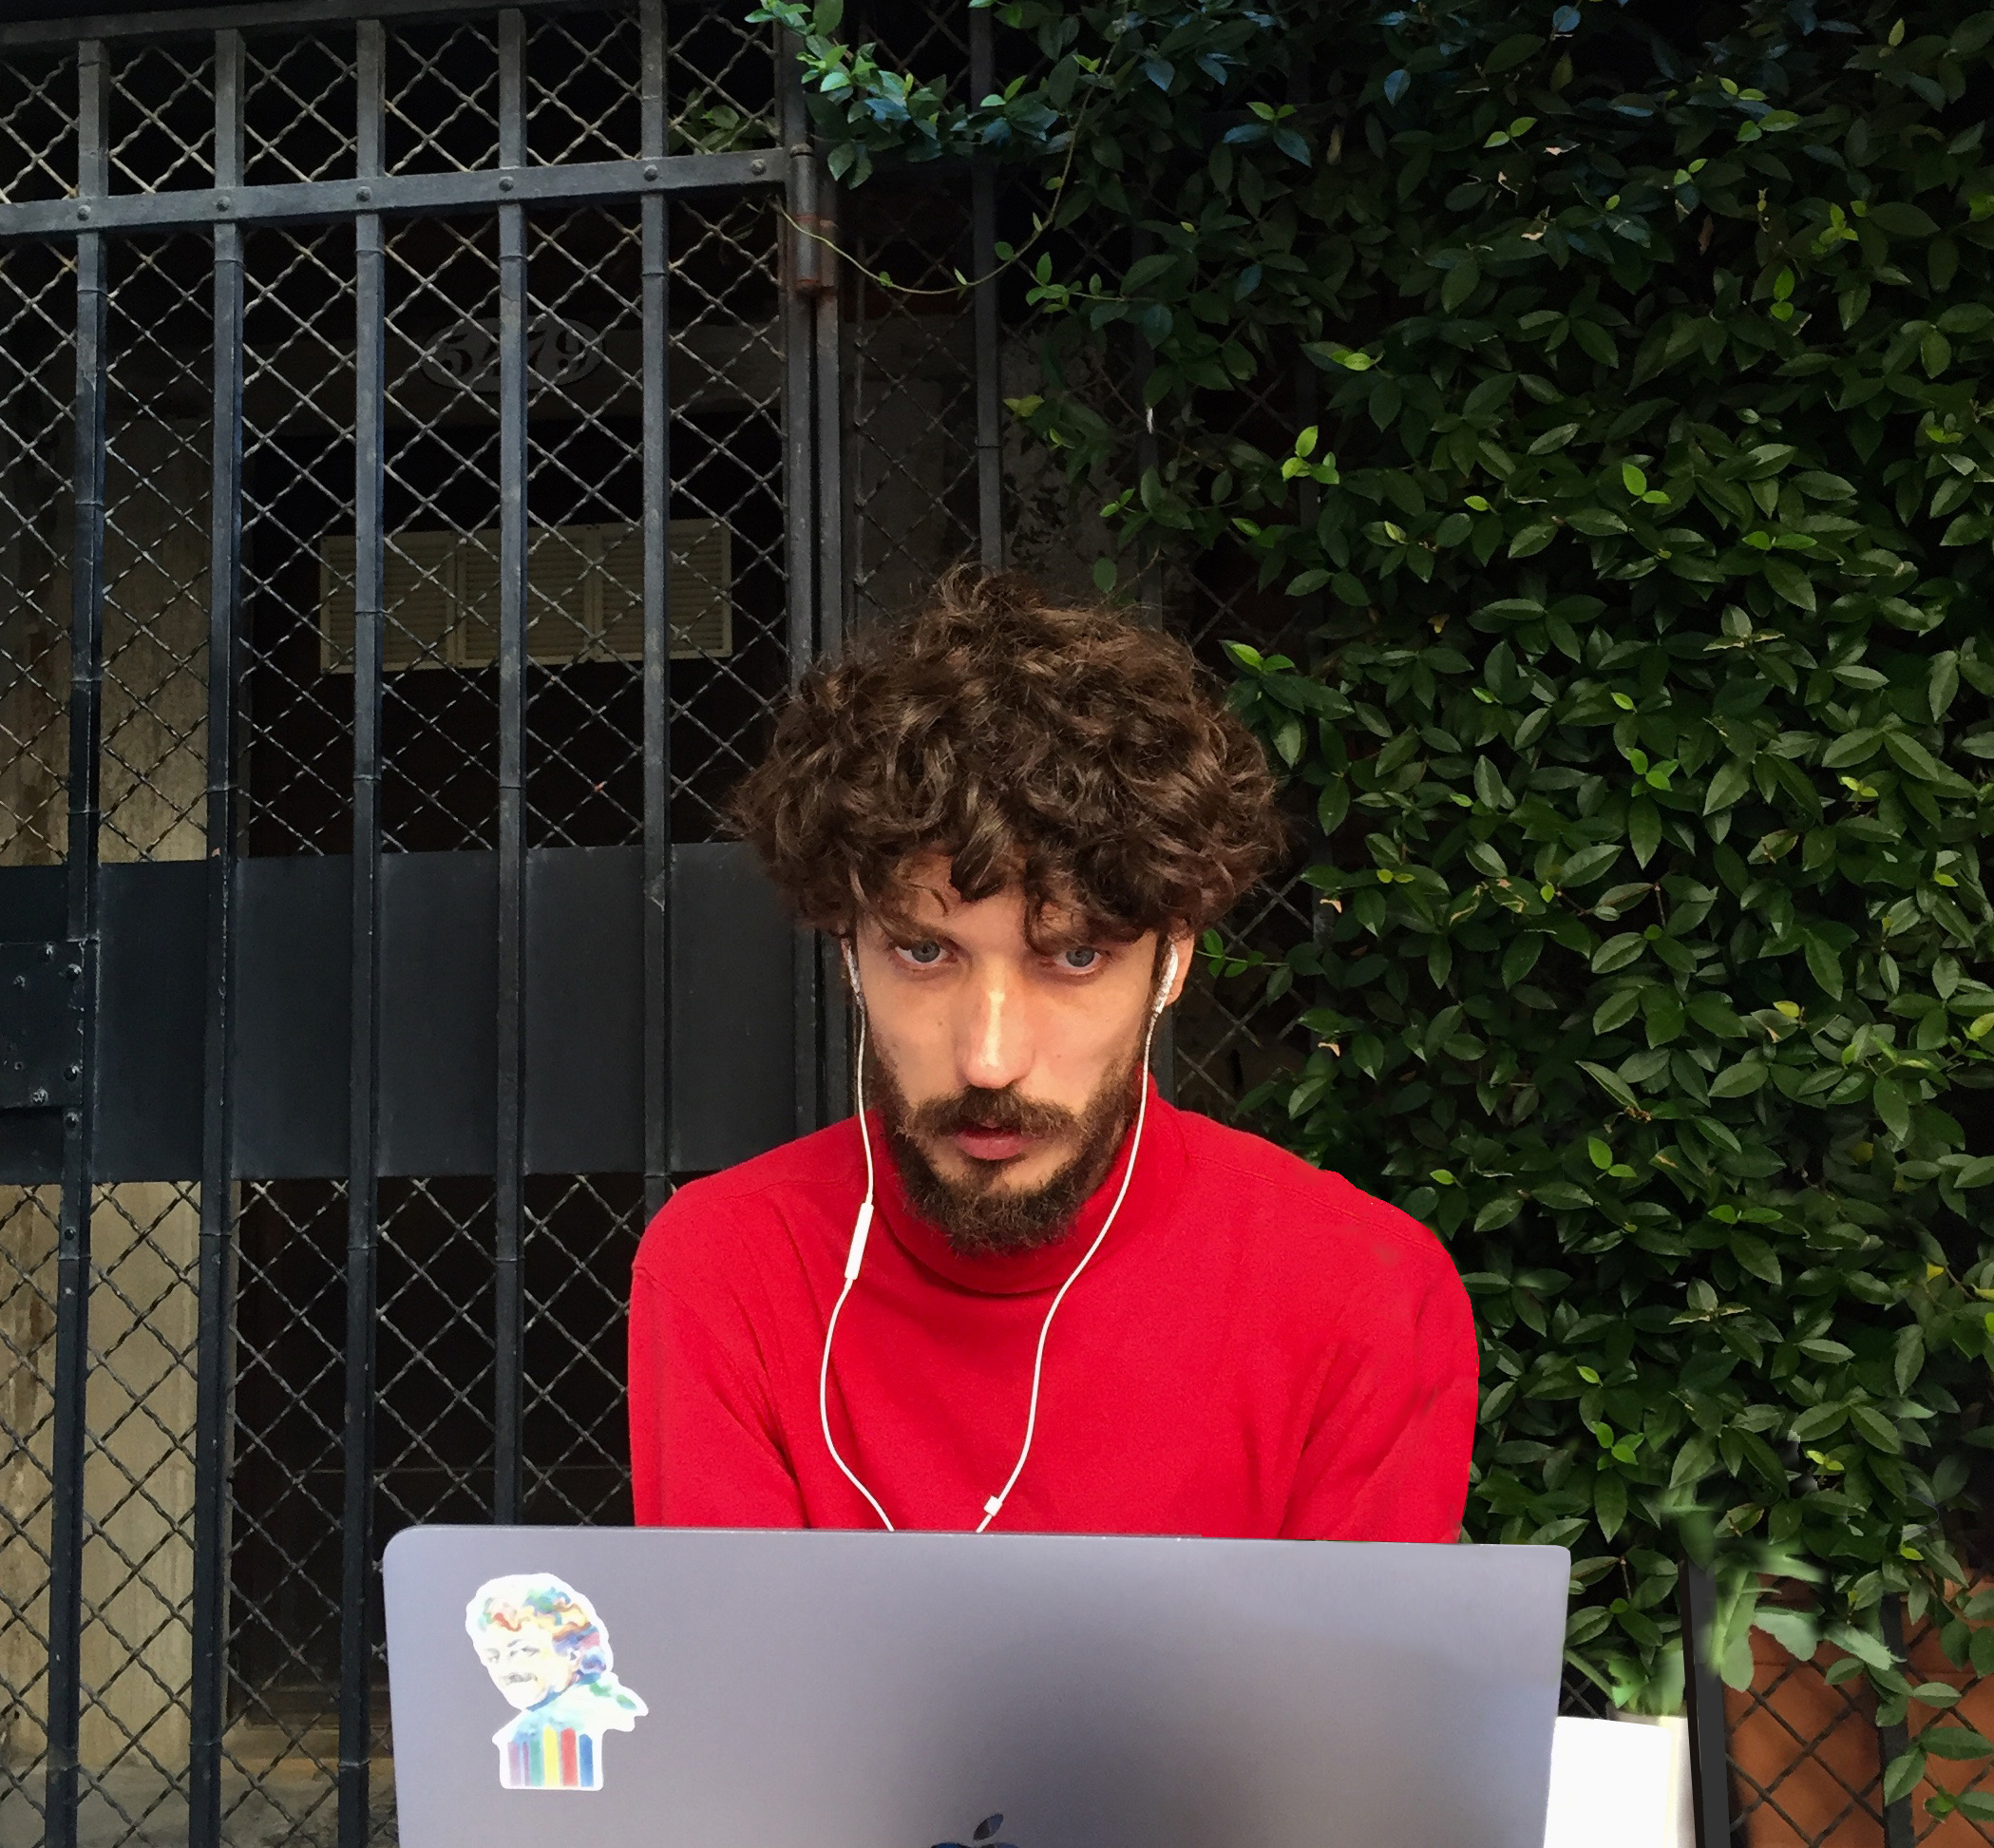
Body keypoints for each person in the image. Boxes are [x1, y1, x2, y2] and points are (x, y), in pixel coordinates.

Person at [628, 570, 1476, 1538]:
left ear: (1173, 958)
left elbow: (1347, 1693)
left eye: (1073, 956)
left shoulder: (1360, 1291)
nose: (990, 1060)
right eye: (923, 951)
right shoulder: (728, 1267)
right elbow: (735, 1682)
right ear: (847, 949)